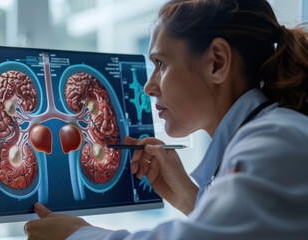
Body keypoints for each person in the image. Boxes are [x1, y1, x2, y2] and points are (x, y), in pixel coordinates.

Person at [24, 0, 308, 239]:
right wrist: (188, 198)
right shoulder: (264, 136)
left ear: (217, 63)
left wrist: (78, 235)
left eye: (160, 64)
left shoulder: (275, 141)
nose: (148, 87)